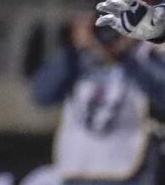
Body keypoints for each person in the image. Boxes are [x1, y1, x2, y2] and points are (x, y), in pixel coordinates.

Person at [31, 14, 165, 184]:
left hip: (130, 171)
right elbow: (41, 95)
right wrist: (74, 50)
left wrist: (125, 56)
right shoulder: (76, 60)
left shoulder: (147, 56)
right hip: (78, 170)